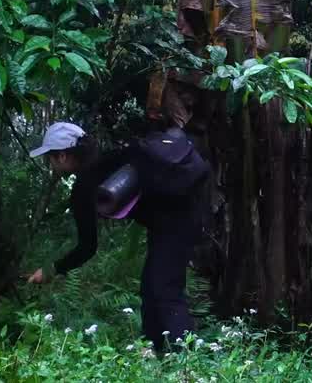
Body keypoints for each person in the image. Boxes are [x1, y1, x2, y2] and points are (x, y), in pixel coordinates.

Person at [25, 119, 209, 350]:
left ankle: (186, 360)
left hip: (175, 222)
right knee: (152, 287)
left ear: (62, 156)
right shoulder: (114, 159)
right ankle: (156, 352)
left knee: (165, 289)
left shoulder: (85, 187)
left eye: (50, 157)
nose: (50, 164)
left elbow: (87, 248)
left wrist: (51, 270)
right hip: (180, 215)